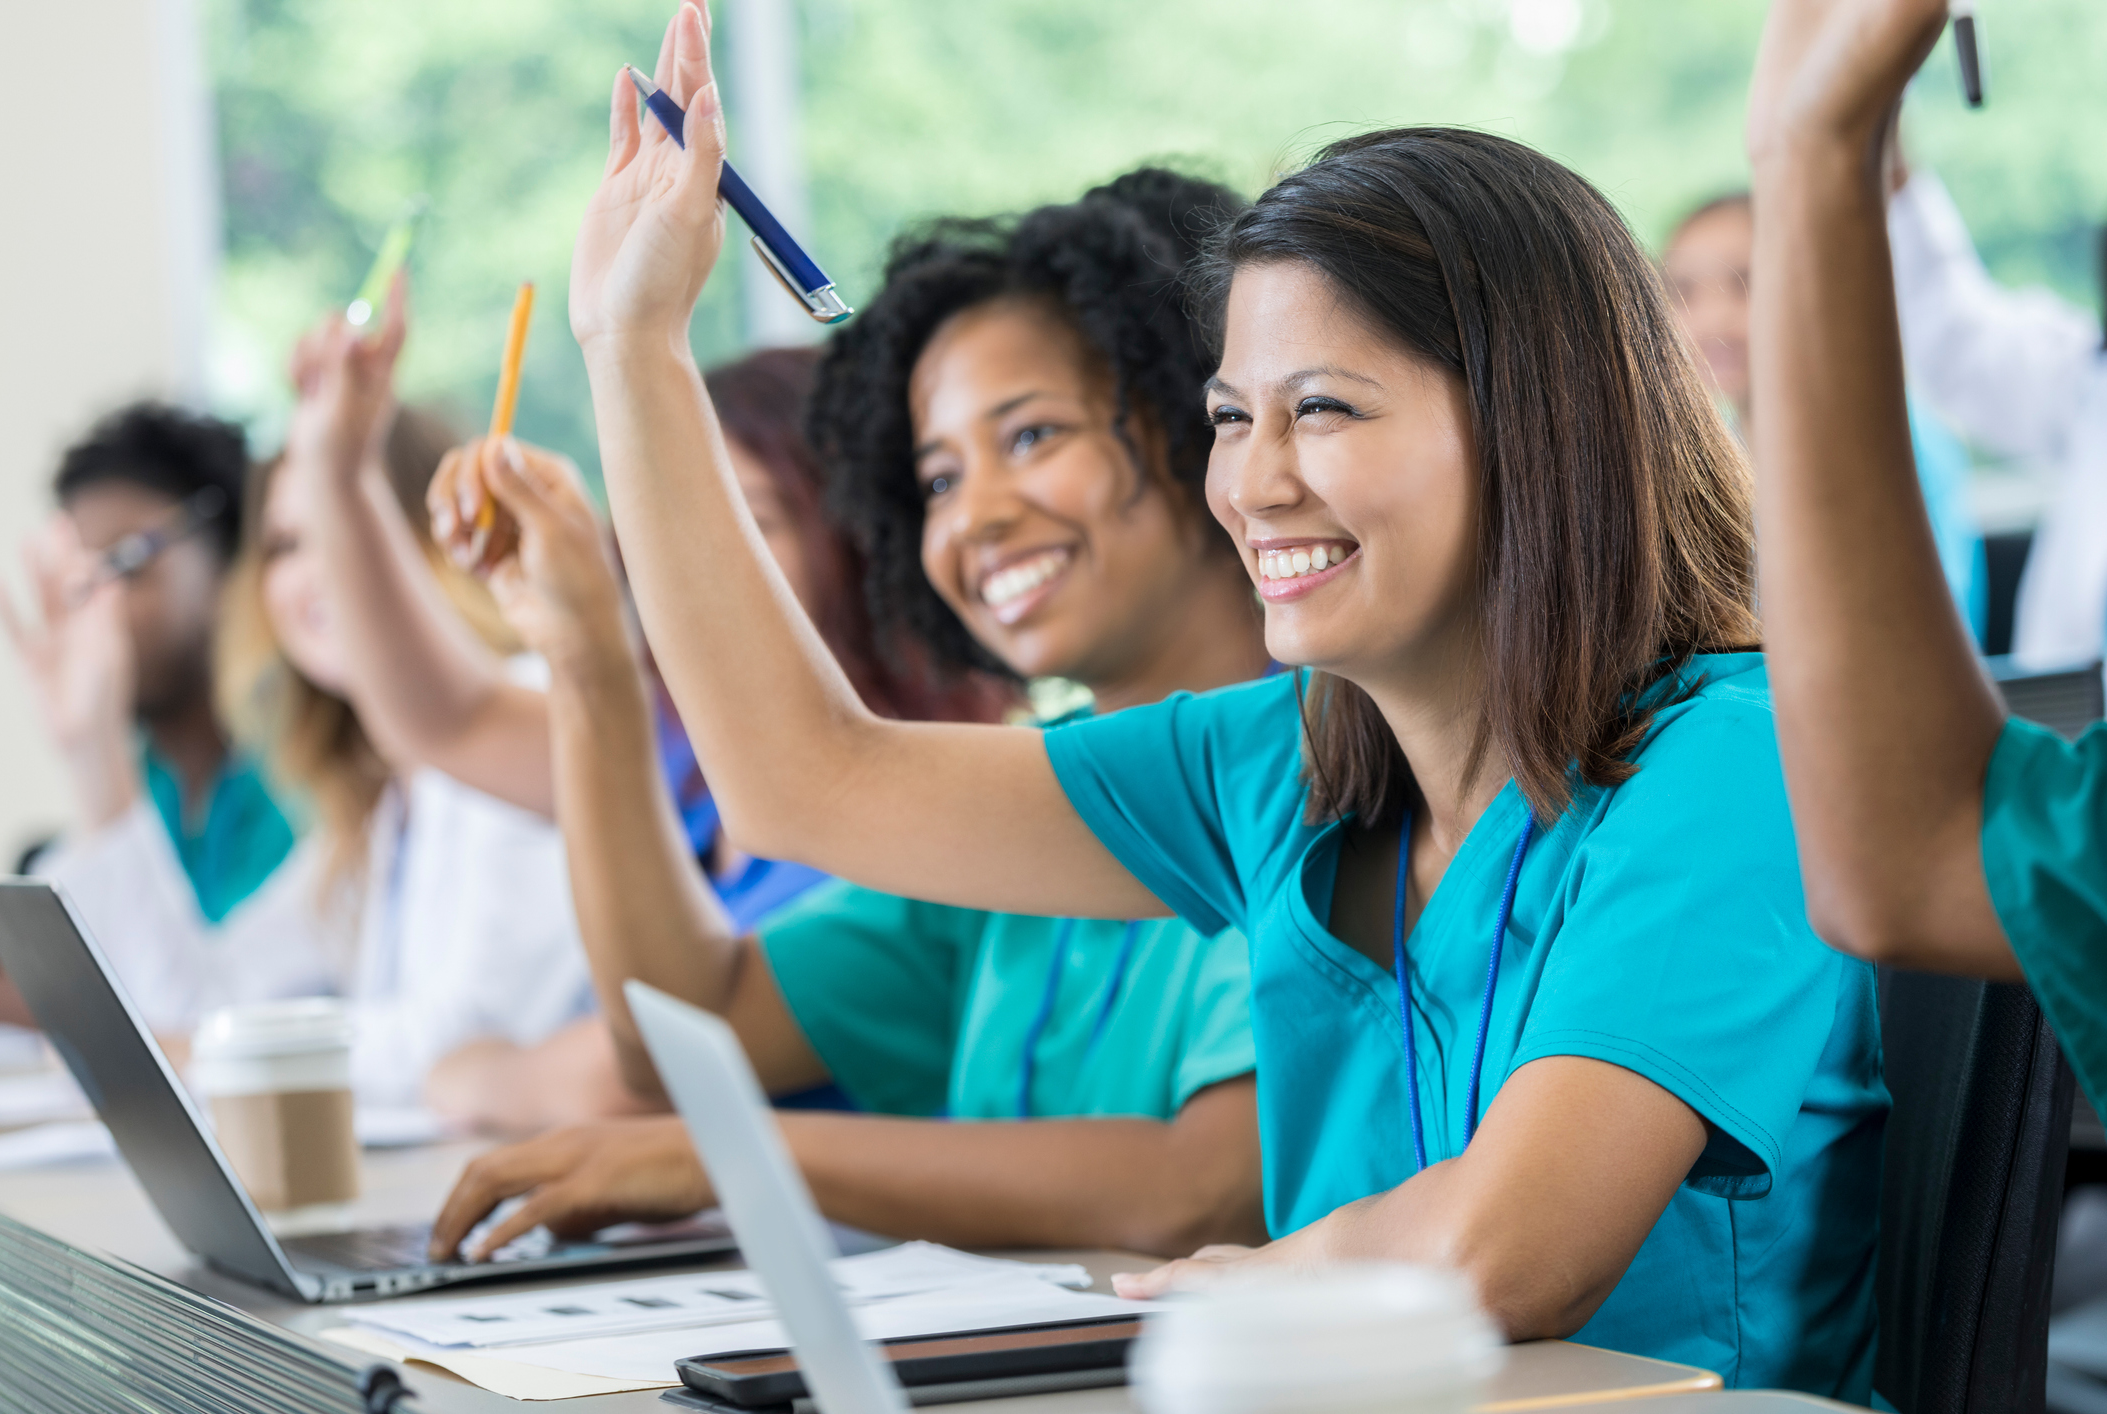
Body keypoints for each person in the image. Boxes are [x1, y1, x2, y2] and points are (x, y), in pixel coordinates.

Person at [440, 7, 1890, 1395]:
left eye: (1321, 408)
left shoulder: (1724, 759)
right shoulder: (1279, 765)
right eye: (1229, 418)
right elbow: (804, 781)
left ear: (1533, 423)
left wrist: (1223, 1287)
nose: (1253, 483)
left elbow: (1511, 1253)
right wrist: (632, 345)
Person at [421, 169, 1268, 1262]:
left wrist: (733, 1150)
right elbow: (684, 1024)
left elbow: (1199, 1191)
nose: (979, 519)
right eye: (938, 479)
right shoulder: (1029, 801)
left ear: (1199, 420)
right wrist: (586, 660)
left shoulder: (1313, 764)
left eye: (1030, 438)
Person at [0, 351, 624, 1128]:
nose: (313, 574)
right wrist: (90, 744)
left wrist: (219, 1054)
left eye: (346, 527)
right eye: (289, 543)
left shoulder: (521, 726)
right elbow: (204, 1003)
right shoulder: (375, 795)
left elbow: (468, 1038)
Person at [299, 291, 1006, 934]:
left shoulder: (935, 807)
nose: (687, 564)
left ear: (856, 542)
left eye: (750, 522)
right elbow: (451, 721)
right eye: (674, 525)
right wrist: (338, 467)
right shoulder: (689, 751)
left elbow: (681, 1036)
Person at [1743, 0, 2107, 1107]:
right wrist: (1850, 135)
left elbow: (1919, 848)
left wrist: (1810, 147)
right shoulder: (2081, 378)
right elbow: (1950, 329)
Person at [0, 407, 297, 1007]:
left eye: (126, 564)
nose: (93, 608)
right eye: (78, 578)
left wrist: (95, 749)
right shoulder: (146, 784)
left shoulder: (306, 781)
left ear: (233, 566)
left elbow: (198, 1012)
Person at [1662, 193, 1986, 639]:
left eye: (1747, 283)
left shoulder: (1899, 441)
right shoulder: (1709, 458)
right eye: (1683, 292)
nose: (1712, 318)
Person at [1885, 157, 2107, 669]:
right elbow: (1954, 337)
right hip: (2064, 727)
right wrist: (1887, 151)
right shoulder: (2085, 380)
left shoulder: (1920, 451)